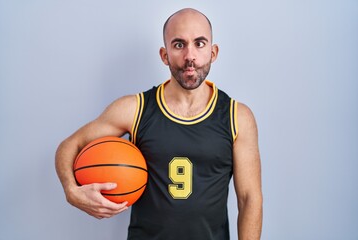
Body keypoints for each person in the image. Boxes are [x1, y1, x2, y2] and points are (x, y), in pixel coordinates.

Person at [55, 8, 262, 240]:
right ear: (164, 55)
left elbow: (249, 199)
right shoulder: (135, 109)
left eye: (200, 43)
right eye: (179, 45)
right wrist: (71, 191)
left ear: (213, 52)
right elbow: (69, 145)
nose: (190, 56)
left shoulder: (237, 117)